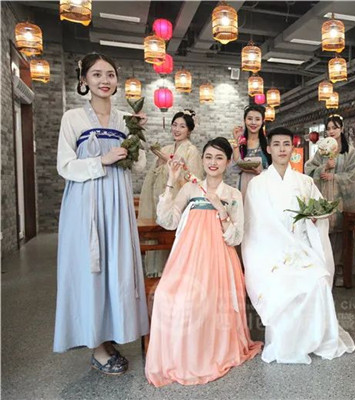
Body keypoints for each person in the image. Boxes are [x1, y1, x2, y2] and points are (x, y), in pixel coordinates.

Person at [54, 53, 149, 374]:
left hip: (118, 203)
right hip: (85, 204)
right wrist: (101, 161)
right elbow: (65, 166)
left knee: (116, 267)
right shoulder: (72, 118)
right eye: (96, 74)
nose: (104, 80)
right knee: (90, 269)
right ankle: (96, 347)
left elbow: (139, 165)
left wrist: (137, 137)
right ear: (84, 80)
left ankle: (110, 335)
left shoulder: (124, 119)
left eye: (110, 74)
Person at [145, 137, 262, 386]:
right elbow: (168, 221)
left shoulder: (232, 194)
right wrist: (171, 180)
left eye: (219, 157)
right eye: (208, 157)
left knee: (206, 302)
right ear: (202, 160)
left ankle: (206, 353)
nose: (213, 162)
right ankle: (180, 355)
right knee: (166, 296)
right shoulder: (190, 188)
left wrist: (221, 209)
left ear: (228, 162)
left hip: (219, 260)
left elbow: (236, 237)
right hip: (187, 257)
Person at [242, 126, 355, 364]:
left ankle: (315, 339)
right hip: (271, 252)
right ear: (268, 149)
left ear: (293, 148)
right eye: (276, 144)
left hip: (302, 249)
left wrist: (316, 218)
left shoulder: (304, 182)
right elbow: (255, 226)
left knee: (317, 280)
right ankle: (285, 344)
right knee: (283, 283)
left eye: (286, 144)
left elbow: (319, 211)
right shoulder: (257, 185)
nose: (282, 149)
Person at [138, 109, 202, 277]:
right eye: (174, 125)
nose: (177, 129)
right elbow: (153, 176)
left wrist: (178, 168)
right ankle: (158, 273)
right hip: (161, 199)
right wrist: (160, 161)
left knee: (176, 239)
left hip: (179, 203)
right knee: (158, 236)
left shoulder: (191, 151)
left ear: (189, 130)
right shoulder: (166, 148)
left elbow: (194, 179)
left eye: (182, 126)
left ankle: (177, 276)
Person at [305, 114, 355, 286]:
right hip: (324, 197)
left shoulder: (349, 152)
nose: (331, 131)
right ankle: (325, 270)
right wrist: (324, 167)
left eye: (335, 128)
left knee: (341, 235)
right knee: (324, 234)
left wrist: (334, 176)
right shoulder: (321, 152)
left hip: (342, 201)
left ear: (341, 129)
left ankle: (341, 271)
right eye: (328, 128)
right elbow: (308, 169)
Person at [231, 104, 271, 198]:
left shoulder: (268, 143)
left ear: (262, 121)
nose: (253, 122)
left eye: (257, 119)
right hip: (244, 186)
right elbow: (235, 167)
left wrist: (262, 171)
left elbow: (274, 168)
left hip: (263, 188)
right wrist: (236, 140)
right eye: (250, 119)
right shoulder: (240, 142)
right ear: (244, 120)